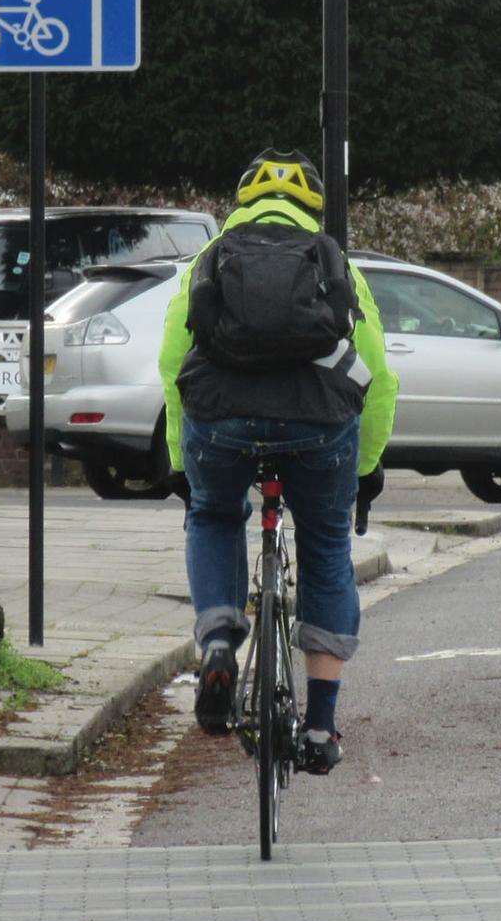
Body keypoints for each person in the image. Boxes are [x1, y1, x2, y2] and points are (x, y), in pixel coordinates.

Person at [158, 151, 397, 774]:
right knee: (324, 545)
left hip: (221, 419)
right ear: (313, 206)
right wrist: (366, 471)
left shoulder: (208, 260)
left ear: (239, 203)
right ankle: (320, 727)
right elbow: (379, 376)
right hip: (319, 425)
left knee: (213, 517)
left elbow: (170, 363)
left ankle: (217, 643)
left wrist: (184, 464)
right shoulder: (329, 257)